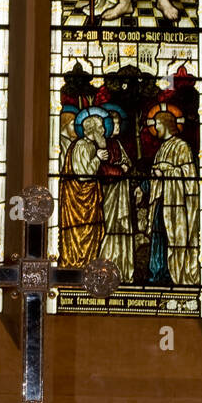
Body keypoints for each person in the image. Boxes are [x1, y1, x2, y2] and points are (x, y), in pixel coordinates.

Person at [145, 104, 200, 286]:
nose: (155, 129)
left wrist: (167, 172)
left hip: (175, 202)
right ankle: (157, 273)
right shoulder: (162, 148)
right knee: (158, 236)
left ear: (165, 125)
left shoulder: (181, 146)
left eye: (157, 125)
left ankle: (171, 273)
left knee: (171, 237)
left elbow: (188, 173)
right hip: (161, 199)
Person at [59, 107, 109, 267]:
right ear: (92, 129)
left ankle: (88, 263)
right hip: (77, 202)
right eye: (101, 127)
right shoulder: (81, 145)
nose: (104, 130)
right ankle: (75, 264)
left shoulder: (91, 145)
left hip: (90, 199)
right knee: (79, 231)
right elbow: (83, 175)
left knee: (93, 232)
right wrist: (97, 159)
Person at [98, 103, 135, 284]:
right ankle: (106, 265)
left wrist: (124, 168)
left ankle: (123, 268)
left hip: (121, 193)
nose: (118, 127)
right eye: (115, 123)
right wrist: (120, 170)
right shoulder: (100, 144)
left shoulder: (117, 143)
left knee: (122, 229)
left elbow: (127, 162)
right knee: (109, 227)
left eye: (119, 123)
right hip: (109, 193)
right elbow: (101, 171)